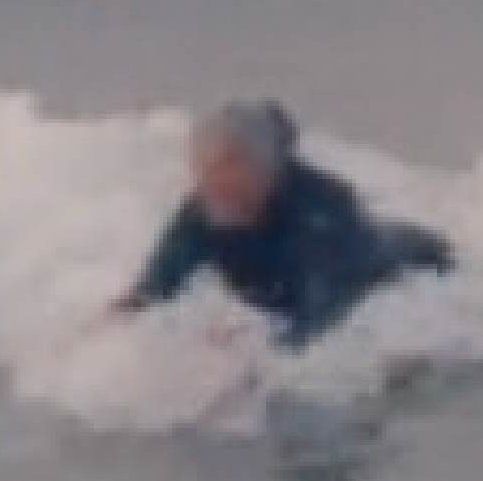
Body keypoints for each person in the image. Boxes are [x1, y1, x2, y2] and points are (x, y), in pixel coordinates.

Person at [117, 99, 454, 342]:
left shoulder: (319, 208)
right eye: (204, 167)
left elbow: (323, 312)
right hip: (305, 299)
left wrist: (253, 356)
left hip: (416, 269)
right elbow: (156, 285)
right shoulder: (203, 208)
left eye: (229, 165)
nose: (213, 183)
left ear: (264, 167)